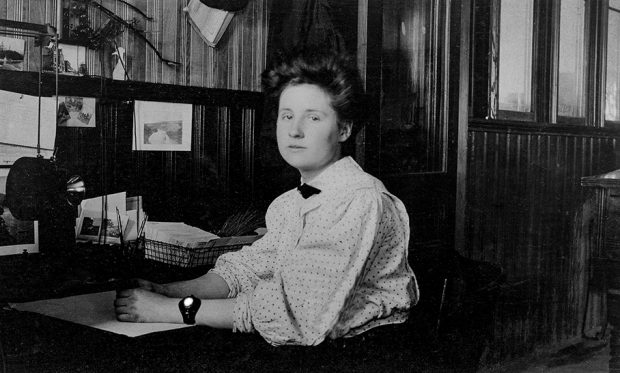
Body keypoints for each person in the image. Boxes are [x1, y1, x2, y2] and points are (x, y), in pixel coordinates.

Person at [114, 48, 419, 346]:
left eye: (313, 118)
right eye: (287, 116)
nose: (294, 131)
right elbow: (245, 270)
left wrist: (172, 309)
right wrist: (167, 291)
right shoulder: (296, 200)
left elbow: (295, 315)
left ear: (344, 129)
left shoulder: (358, 200)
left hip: (365, 351)